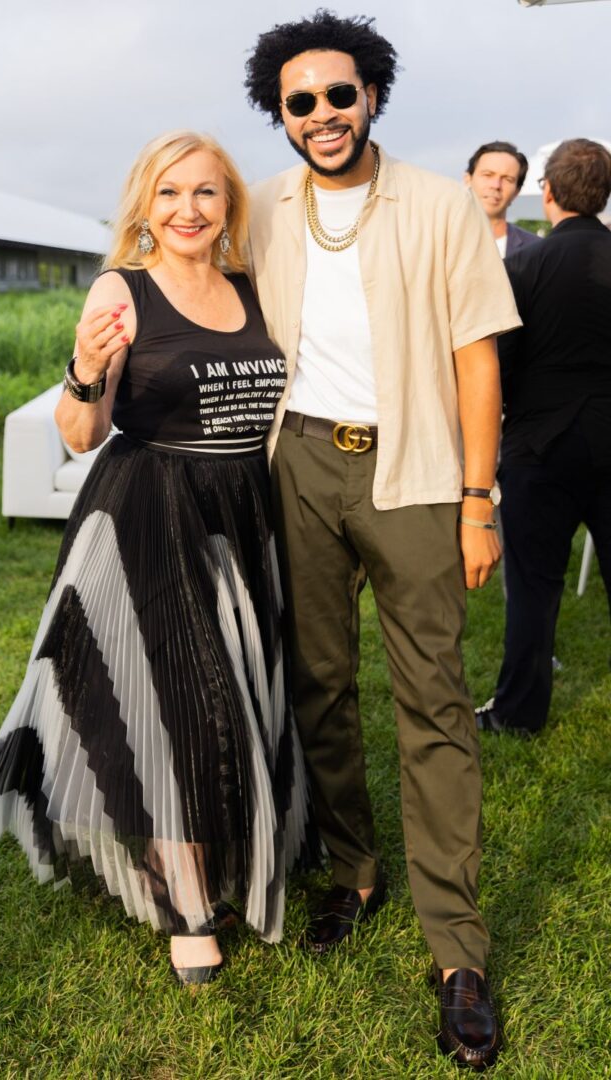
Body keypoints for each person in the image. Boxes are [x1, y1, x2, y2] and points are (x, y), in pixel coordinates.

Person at [0, 130, 318, 986]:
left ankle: (217, 845)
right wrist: (82, 370)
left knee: (244, 686)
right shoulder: (122, 288)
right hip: (151, 507)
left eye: (207, 193)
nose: (189, 209)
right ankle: (183, 898)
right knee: (183, 694)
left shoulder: (253, 286)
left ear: (229, 206)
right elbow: (82, 431)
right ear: (145, 204)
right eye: (170, 192)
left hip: (245, 508)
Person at [244, 11, 520, 1069]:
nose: (322, 113)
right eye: (300, 100)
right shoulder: (261, 208)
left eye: (340, 94)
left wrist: (478, 496)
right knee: (319, 682)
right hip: (297, 466)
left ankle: (457, 949)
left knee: (435, 700)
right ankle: (354, 871)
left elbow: (477, 361)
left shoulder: (444, 205)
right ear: (281, 111)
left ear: (373, 97)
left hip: (410, 470)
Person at [475, 138, 611, 737]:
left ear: (547, 193)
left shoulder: (521, 268)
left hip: (539, 451)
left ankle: (518, 714)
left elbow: (496, 367)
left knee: (533, 588)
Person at [464, 141, 541, 259]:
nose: (496, 185)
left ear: (517, 192)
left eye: (507, 179)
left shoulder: (536, 249)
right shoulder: (440, 238)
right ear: (468, 180)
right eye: (487, 175)